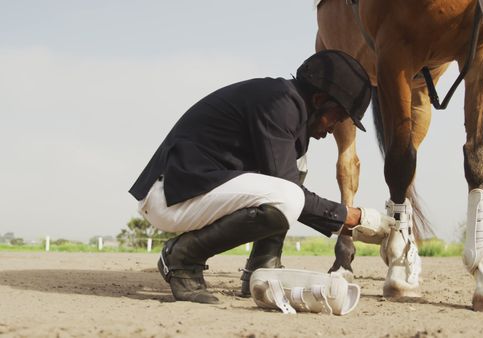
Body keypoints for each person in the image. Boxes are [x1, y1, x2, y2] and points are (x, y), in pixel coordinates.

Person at [129, 50, 394, 304]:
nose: (334, 128)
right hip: (171, 194)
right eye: (338, 117)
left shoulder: (288, 109)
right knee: (288, 195)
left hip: (194, 189)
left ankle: (262, 266)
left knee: (294, 171)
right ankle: (182, 258)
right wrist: (355, 219)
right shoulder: (279, 104)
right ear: (319, 101)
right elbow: (288, 191)